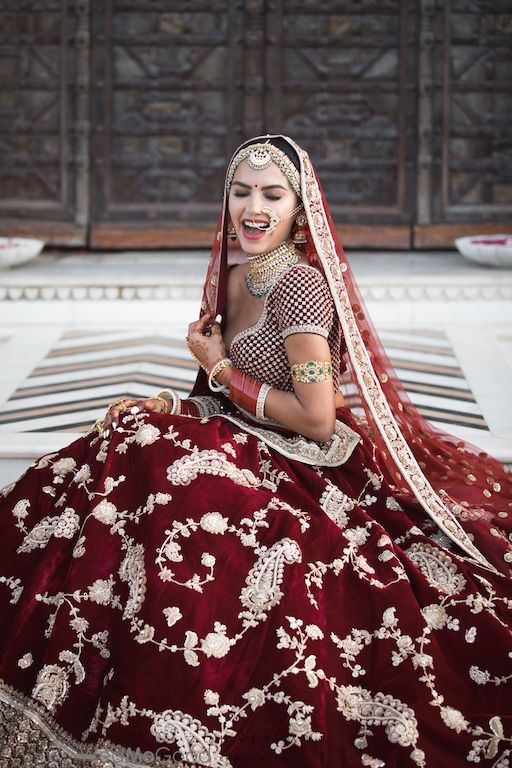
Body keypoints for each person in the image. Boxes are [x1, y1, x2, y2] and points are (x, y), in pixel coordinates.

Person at [0, 136, 510, 768]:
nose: (253, 207)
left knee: (164, 476)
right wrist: (175, 404)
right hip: (248, 435)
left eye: (272, 194)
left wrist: (216, 370)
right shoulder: (236, 274)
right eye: (241, 192)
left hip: (304, 459)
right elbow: (222, 401)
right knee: (125, 442)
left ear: (301, 208)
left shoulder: (301, 289)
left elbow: (319, 421)